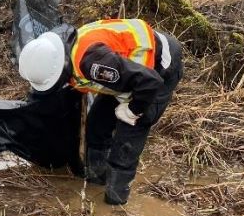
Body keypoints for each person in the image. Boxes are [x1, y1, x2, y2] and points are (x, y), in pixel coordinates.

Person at [17, 19, 183, 205]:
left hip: (157, 70)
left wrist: (132, 110)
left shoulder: (94, 63)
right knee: (96, 124)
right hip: (127, 71)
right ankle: (97, 179)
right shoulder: (58, 51)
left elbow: (150, 83)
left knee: (127, 139)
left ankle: (115, 202)